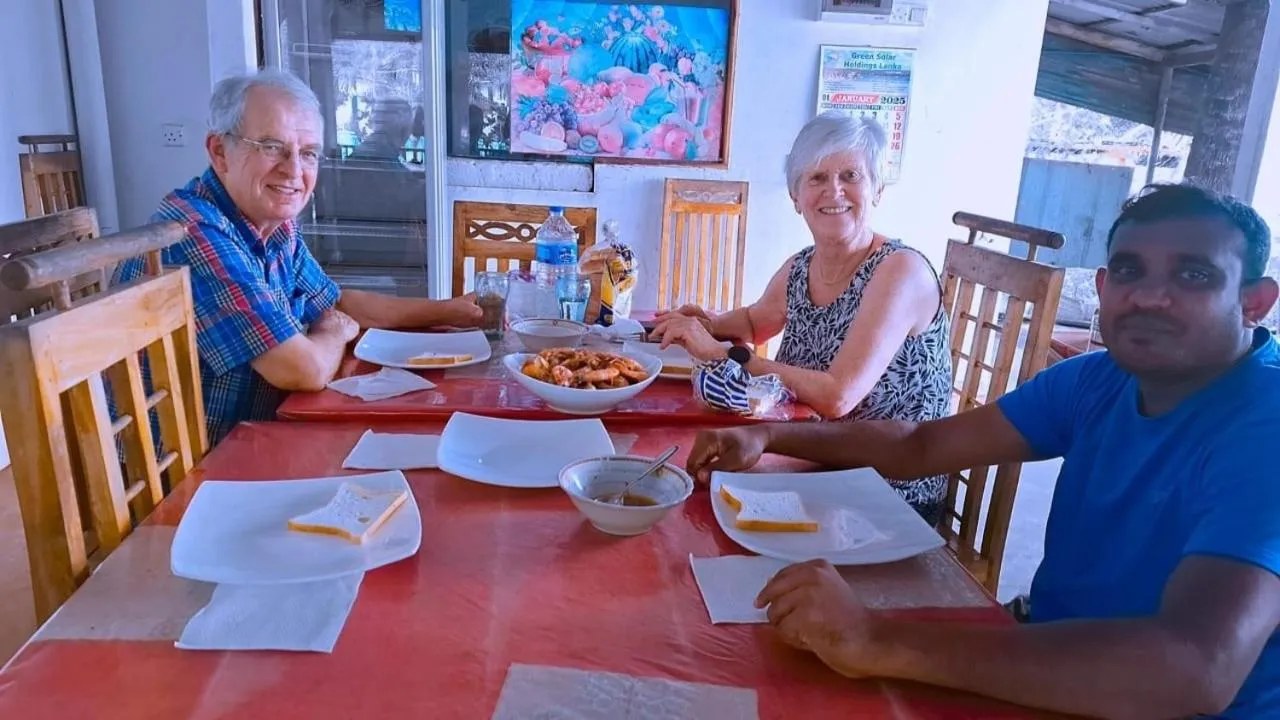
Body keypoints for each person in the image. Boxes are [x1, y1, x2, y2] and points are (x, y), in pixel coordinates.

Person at [686, 183, 1280, 718]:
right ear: (1102, 287)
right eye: (1129, 271)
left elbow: (1196, 667)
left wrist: (874, 638)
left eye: (1194, 276)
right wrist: (768, 434)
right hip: (1042, 661)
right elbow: (922, 443)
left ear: (1256, 302)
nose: (1150, 297)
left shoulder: (1264, 424)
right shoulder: (1097, 381)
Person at [113, 69, 480, 444]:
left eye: (307, 154)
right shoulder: (194, 232)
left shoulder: (271, 224)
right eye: (272, 147)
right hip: (195, 474)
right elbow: (303, 370)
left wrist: (453, 310)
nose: (293, 170)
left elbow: (339, 303)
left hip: (252, 440)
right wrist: (333, 330)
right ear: (220, 152)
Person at [652, 111, 952, 525]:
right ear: (796, 196)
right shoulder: (802, 266)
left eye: (851, 175)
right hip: (815, 460)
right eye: (816, 178)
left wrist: (724, 355)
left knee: (690, 497)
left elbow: (837, 396)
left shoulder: (900, 271)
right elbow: (757, 322)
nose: (835, 191)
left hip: (887, 492)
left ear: (877, 188)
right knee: (687, 482)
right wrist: (706, 321)